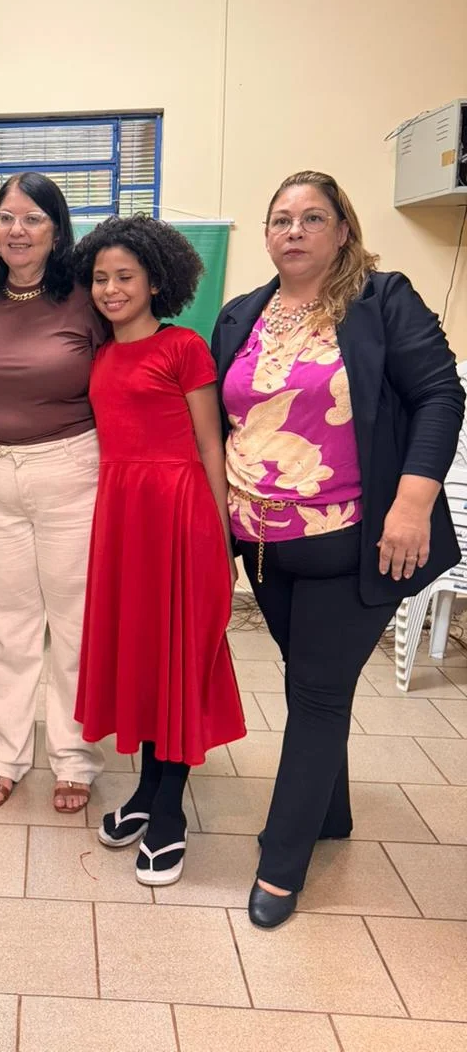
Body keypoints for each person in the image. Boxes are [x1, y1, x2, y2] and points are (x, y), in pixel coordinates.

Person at [211, 170, 465, 929]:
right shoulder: (242, 314)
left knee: (317, 695)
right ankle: (332, 813)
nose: (294, 230)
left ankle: (281, 866)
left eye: (313, 217)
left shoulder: (382, 301)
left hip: (356, 543)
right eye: (280, 218)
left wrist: (412, 504)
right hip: (265, 546)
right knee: (311, 684)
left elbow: (440, 395)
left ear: (343, 229)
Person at [74, 215, 245, 885]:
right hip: (123, 520)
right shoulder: (101, 354)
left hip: (180, 517)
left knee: (179, 660)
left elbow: (210, 445)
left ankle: (170, 810)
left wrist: (222, 537)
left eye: (125, 277)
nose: (111, 289)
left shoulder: (184, 347)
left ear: (155, 281)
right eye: (100, 278)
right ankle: (146, 791)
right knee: (144, 657)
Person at [0, 172, 105, 813]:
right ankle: (5, 754)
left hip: (69, 471)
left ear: (57, 229)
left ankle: (74, 757)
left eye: (33, 218)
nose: (16, 231)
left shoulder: (86, 295)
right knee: (8, 627)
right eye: (5, 217)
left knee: (73, 626)